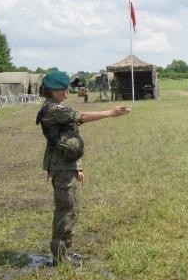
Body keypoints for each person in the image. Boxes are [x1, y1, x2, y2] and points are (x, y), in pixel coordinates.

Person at [37, 70, 131, 266]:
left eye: (65, 88)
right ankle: (60, 257)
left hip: (66, 165)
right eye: (61, 89)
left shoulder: (57, 106)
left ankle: (64, 252)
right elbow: (81, 116)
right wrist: (110, 113)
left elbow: (66, 138)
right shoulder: (53, 109)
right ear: (51, 90)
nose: (66, 92)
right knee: (66, 209)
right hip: (61, 168)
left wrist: (77, 167)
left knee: (70, 208)